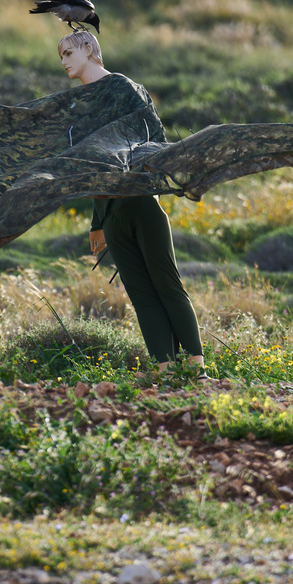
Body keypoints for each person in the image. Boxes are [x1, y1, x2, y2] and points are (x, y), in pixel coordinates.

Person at [57, 30, 211, 381]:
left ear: (88, 49)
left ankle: (197, 370)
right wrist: (97, 223)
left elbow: (154, 142)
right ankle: (166, 371)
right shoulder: (80, 107)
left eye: (68, 52)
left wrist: (147, 184)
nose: (64, 61)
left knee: (167, 285)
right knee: (141, 296)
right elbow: (92, 169)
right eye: (61, 56)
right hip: (112, 215)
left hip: (142, 204)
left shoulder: (125, 88)